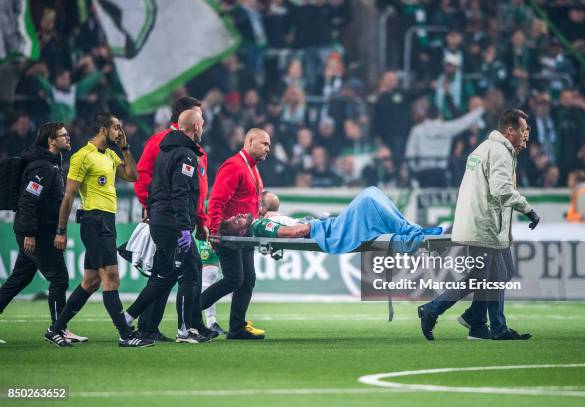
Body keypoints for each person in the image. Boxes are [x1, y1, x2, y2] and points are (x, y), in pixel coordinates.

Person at [418, 109, 539, 341]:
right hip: (484, 225)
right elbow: (501, 190)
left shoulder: (484, 148)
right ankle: (438, 311)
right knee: (485, 276)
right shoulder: (500, 152)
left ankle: (477, 323)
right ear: (510, 131)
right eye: (524, 131)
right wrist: (527, 209)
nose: (526, 137)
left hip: (484, 223)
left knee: (498, 273)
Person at [44, 112, 151, 348]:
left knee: (91, 282)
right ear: (103, 129)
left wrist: (126, 148)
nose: (120, 132)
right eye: (116, 128)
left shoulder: (111, 154)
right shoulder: (83, 156)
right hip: (94, 221)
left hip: (107, 221)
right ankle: (125, 334)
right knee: (111, 279)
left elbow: (132, 176)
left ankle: (55, 329)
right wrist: (60, 230)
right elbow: (69, 195)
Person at [133, 96, 218, 341]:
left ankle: (150, 325)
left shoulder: (196, 148)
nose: (202, 120)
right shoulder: (160, 142)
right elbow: (144, 174)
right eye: (198, 115)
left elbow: (199, 189)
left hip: (184, 217)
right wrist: (150, 205)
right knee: (184, 270)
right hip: (169, 217)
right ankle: (184, 326)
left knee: (169, 272)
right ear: (185, 117)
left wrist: (201, 219)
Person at [0, 123, 86, 344]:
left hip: (36, 231)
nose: (68, 138)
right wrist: (29, 233)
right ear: (51, 140)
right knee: (59, 279)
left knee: (19, 279)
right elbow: (28, 201)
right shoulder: (43, 169)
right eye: (63, 135)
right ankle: (58, 329)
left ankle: (60, 327)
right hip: (37, 233)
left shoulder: (51, 164)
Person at [223, 187, 443, 255]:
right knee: (368, 197)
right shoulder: (261, 225)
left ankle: (412, 232)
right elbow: (293, 234)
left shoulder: (264, 220)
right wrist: (314, 225)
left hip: (325, 226)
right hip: (325, 230)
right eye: (235, 220)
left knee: (373, 195)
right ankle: (414, 233)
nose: (238, 215)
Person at [203, 128, 270, 340]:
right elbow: (216, 201)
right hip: (229, 234)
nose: (268, 148)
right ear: (250, 141)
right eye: (264, 144)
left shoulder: (253, 168)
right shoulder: (234, 166)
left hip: (245, 234)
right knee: (234, 279)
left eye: (268, 144)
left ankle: (237, 328)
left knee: (248, 279)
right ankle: (190, 312)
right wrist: (214, 232)